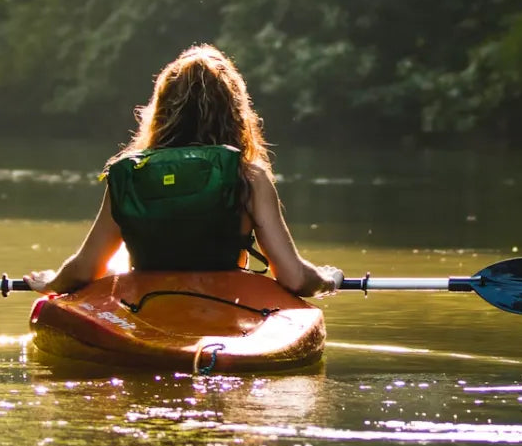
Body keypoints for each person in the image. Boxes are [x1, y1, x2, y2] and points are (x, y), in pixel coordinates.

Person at [23, 44, 343, 299]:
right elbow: (294, 278)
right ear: (235, 113)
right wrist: (326, 279)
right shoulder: (250, 178)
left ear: (161, 110)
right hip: (226, 307)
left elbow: (84, 269)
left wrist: (53, 282)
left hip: (145, 306)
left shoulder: (131, 174)